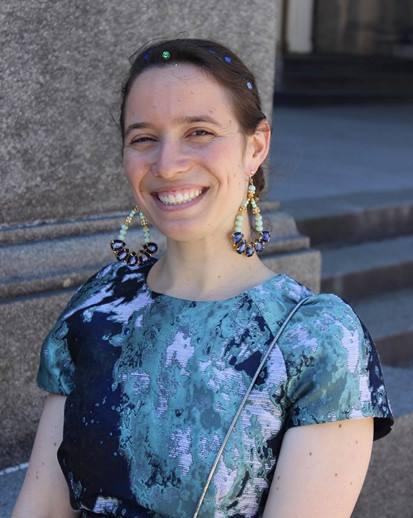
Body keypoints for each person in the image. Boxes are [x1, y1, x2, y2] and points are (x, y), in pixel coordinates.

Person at [13, 38, 394, 518]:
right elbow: (43, 508)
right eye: (144, 138)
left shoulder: (316, 338)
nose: (167, 165)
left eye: (199, 132)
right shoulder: (99, 305)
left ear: (255, 146)